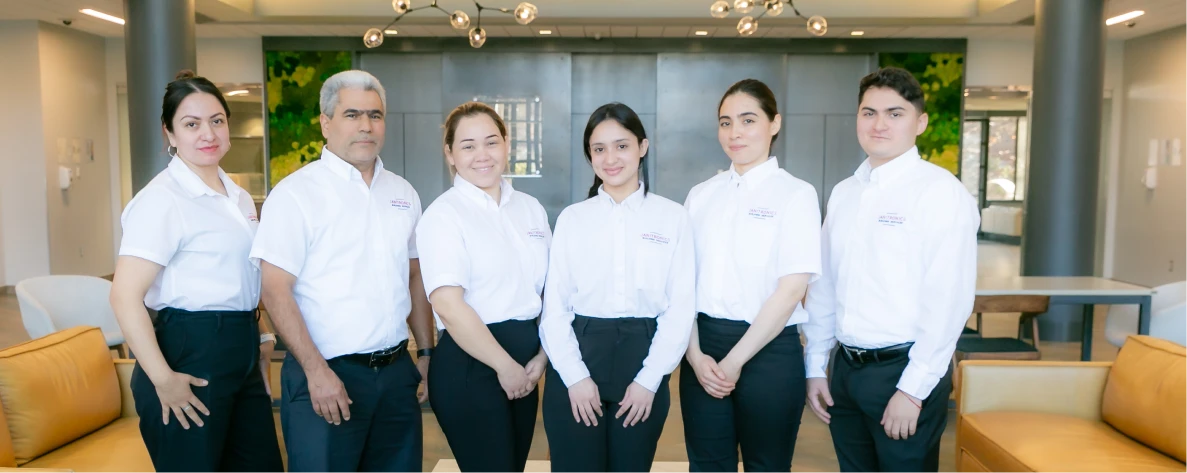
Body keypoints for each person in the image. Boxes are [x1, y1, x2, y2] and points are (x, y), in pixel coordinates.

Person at [251, 69, 435, 473]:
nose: (366, 126)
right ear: (325, 122)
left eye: (375, 115)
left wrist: (425, 351)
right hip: (326, 376)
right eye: (352, 115)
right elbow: (274, 289)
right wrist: (317, 372)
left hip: (395, 376)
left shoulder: (403, 193)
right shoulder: (295, 195)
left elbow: (415, 274)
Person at [802, 67, 979, 473]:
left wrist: (913, 391)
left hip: (903, 372)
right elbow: (826, 284)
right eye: (869, 113)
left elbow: (948, 302)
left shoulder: (941, 193)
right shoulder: (846, 193)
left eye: (895, 114)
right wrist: (816, 366)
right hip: (845, 371)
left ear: (920, 123)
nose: (879, 124)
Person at [109, 69, 283, 473]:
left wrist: (262, 337)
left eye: (217, 121)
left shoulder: (236, 196)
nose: (208, 133)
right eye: (191, 124)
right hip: (188, 351)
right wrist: (163, 380)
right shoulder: (162, 200)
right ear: (169, 133)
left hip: (239, 347)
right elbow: (123, 296)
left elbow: (241, 278)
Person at [539, 102, 695, 473]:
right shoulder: (573, 220)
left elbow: (681, 307)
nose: (610, 158)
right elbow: (555, 309)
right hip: (577, 354)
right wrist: (575, 378)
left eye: (622, 145)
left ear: (642, 147)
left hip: (643, 357)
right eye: (599, 148)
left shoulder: (672, 217)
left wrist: (650, 379)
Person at [680, 78, 821, 472]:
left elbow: (792, 289)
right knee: (708, 465)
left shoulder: (796, 194)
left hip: (769, 352)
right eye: (726, 122)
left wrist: (735, 360)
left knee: (768, 466)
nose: (735, 132)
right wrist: (693, 355)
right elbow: (681, 284)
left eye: (747, 120)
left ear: (774, 123)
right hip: (703, 350)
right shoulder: (701, 195)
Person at [415, 102, 551, 473]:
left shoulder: (530, 209)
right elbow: (447, 304)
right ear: (450, 154)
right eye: (468, 145)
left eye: (491, 142)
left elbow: (548, 292)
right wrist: (505, 366)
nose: (482, 155)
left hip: (525, 365)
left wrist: (540, 358)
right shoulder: (444, 215)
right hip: (471, 367)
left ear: (506, 144)